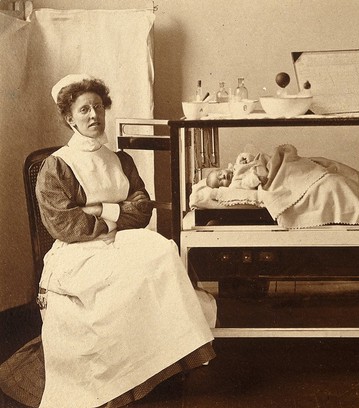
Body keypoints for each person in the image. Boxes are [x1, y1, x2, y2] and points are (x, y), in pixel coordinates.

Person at [0, 74, 216, 408]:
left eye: (98, 107)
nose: (93, 116)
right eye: (84, 109)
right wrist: (115, 215)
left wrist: (99, 208)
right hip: (76, 251)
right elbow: (66, 224)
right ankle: (123, 380)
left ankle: (161, 364)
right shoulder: (56, 166)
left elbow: (143, 209)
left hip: (123, 239)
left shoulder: (120, 160)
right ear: (70, 118)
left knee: (162, 250)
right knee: (118, 278)